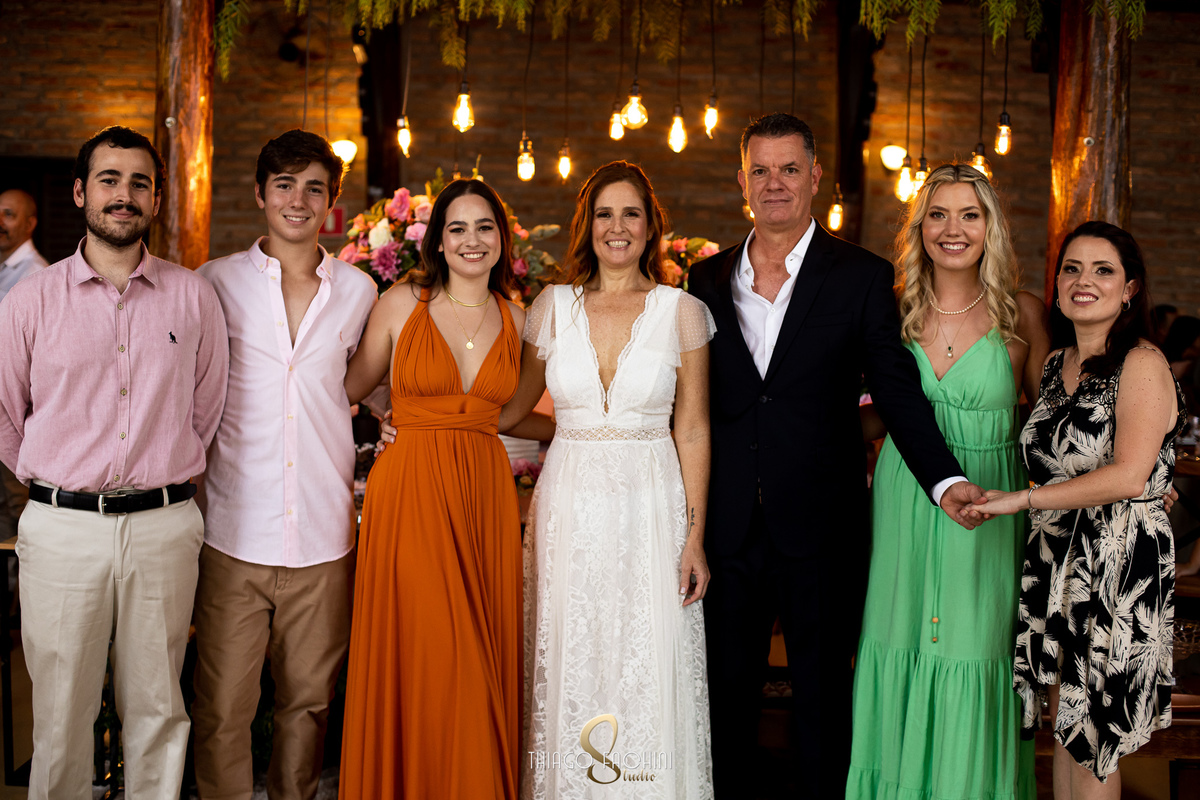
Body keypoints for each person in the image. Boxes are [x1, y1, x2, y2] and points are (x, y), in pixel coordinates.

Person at [685, 113, 985, 796]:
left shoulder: (861, 277)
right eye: (761, 170)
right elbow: (687, 408)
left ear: (815, 176)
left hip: (822, 529)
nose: (775, 183)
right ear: (741, 181)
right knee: (723, 702)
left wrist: (945, 481)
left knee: (823, 705)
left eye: (790, 169)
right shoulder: (703, 282)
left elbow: (897, 392)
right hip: (727, 530)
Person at [0, 126, 228, 799]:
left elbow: (206, 409)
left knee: (159, 708)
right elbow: (5, 414)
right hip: (62, 528)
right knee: (60, 715)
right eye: (108, 180)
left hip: (163, 527)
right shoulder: (31, 300)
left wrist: (159, 470)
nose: (123, 195)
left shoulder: (193, 297)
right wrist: (57, 483)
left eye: (138, 183)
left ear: (156, 198)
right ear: (80, 193)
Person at [501, 161, 715, 798]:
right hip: (568, 507)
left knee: (646, 657)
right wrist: (424, 418)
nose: (616, 227)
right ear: (586, 225)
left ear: (650, 227)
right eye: (604, 214)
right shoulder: (551, 308)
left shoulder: (682, 312)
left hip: (652, 507)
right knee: (574, 654)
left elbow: (693, 429)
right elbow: (512, 411)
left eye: (630, 214)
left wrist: (695, 537)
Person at [847, 164, 1048, 800]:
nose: (952, 229)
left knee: (976, 647)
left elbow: (1054, 424)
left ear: (991, 227)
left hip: (989, 504)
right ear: (919, 227)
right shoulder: (892, 308)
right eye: (938, 214)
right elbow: (878, 414)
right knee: (898, 636)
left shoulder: (1023, 314)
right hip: (905, 494)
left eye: (969, 214)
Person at [191, 130, 377, 800]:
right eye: (284, 185)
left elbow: (378, 388)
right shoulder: (213, 282)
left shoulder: (360, 291)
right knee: (222, 709)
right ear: (260, 194)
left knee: (308, 706)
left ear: (331, 202)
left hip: (325, 535)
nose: (298, 200)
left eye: (314, 188)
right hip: (233, 533)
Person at [339, 178, 536, 799]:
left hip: (485, 495)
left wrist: (607, 436)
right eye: (458, 228)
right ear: (438, 241)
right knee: (435, 650)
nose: (472, 240)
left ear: (501, 239)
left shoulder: (521, 320)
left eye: (485, 227)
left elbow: (523, 415)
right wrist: (388, 415)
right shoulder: (402, 303)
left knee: (479, 649)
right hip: (411, 492)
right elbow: (347, 389)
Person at [977, 221, 1184, 799]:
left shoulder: (1141, 362)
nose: (1083, 281)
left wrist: (1022, 500)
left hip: (1117, 561)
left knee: (1094, 742)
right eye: (1072, 268)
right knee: (1066, 732)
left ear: (1130, 289)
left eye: (1103, 270)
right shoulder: (1054, 364)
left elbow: (1128, 475)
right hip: (1055, 559)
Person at [0, 189, 49, 554]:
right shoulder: (4, 270)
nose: (0, 222)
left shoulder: (35, 276)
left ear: (30, 223)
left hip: (15, 417)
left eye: (9, 214)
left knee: (20, 511)